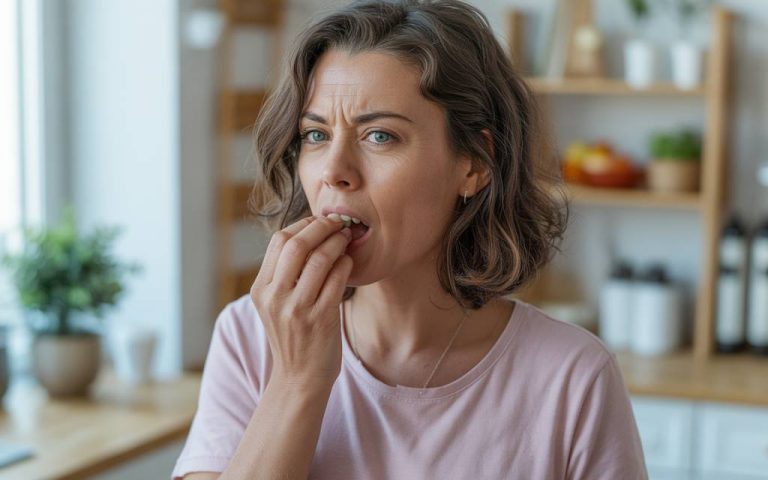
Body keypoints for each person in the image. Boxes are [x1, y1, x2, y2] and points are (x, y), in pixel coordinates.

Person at [172, 1, 648, 478]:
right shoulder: (249, 337)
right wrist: (297, 383)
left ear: (475, 164)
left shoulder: (574, 378)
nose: (334, 172)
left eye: (379, 136)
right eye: (315, 135)